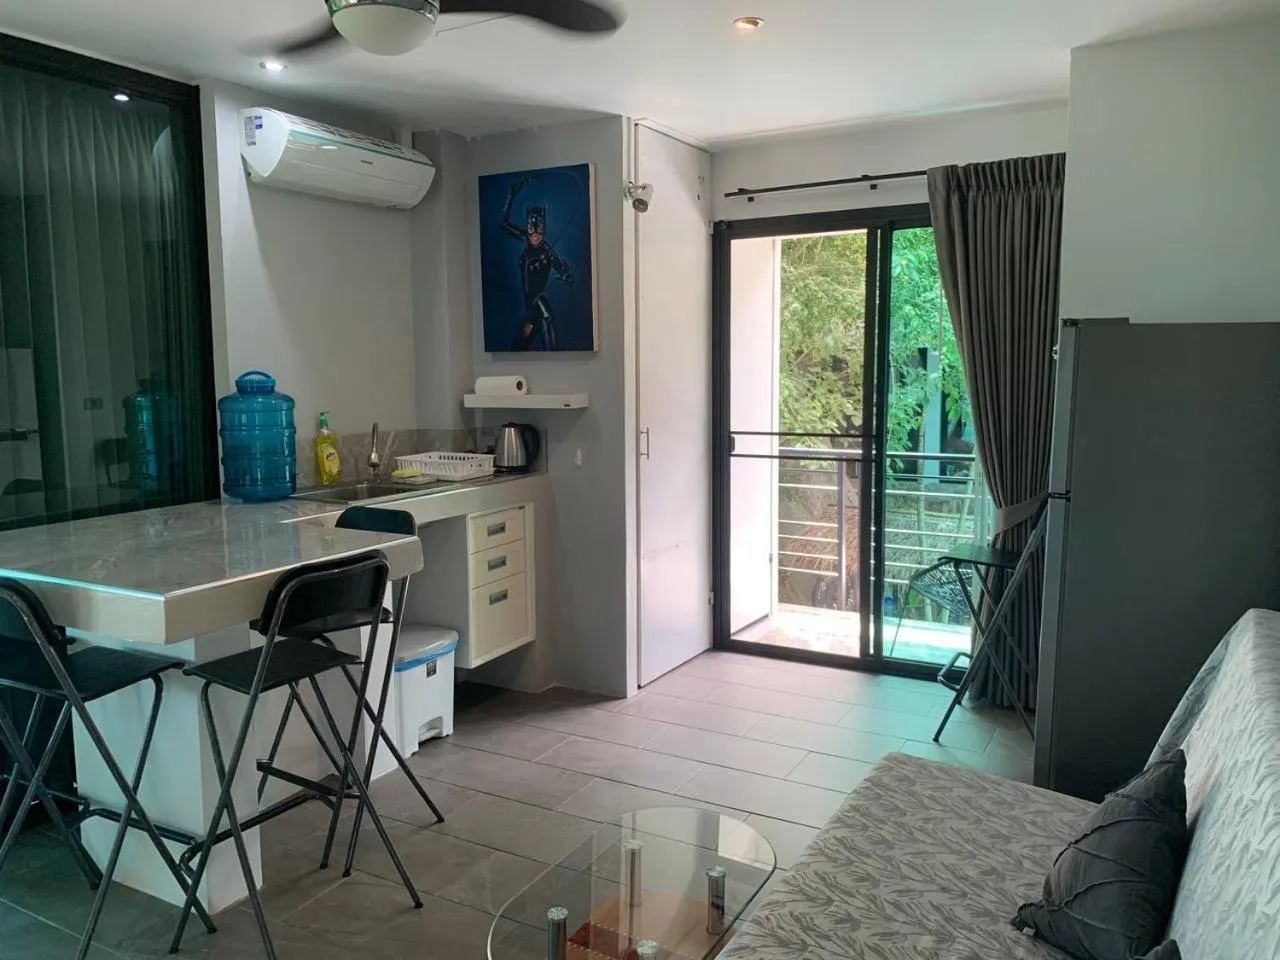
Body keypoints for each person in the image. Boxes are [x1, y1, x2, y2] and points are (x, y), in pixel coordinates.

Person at [501, 177, 574, 351]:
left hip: (540, 306)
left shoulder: (548, 252)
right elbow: (503, 224)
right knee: (517, 347)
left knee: (550, 343)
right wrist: (511, 196)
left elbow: (563, 270)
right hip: (529, 311)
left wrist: (566, 275)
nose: (534, 234)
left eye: (539, 230)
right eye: (531, 229)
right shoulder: (526, 239)